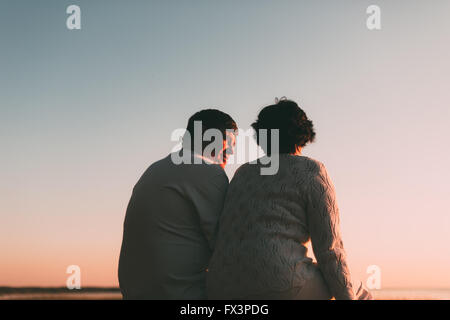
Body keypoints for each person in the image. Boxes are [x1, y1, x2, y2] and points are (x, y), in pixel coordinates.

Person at [206, 99, 372, 300]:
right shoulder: (312, 171)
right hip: (279, 285)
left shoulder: (242, 173)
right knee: (357, 289)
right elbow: (330, 250)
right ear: (303, 133)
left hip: (220, 288)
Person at [118, 109, 237, 299]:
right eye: (227, 142)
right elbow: (227, 246)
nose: (231, 151)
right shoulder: (209, 172)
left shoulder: (156, 168)